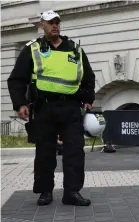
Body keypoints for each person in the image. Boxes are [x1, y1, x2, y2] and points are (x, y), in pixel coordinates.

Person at [7, 10, 95, 206]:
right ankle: (45, 191)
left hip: (71, 107)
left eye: (57, 22)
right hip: (44, 107)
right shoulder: (33, 49)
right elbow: (16, 79)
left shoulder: (75, 49)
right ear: (42, 26)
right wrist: (20, 103)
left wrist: (88, 98)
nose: (54, 25)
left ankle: (72, 192)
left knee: (75, 151)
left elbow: (88, 76)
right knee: (45, 152)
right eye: (50, 22)